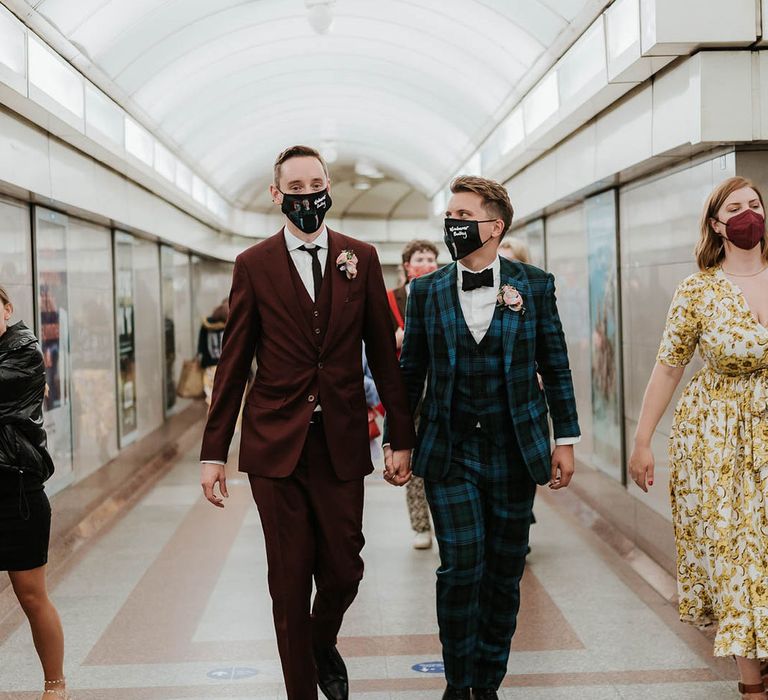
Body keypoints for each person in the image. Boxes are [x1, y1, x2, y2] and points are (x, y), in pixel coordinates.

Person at [199, 145, 415, 700]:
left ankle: (320, 644)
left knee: (345, 568)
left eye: (314, 184)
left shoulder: (359, 257)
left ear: (328, 188)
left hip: (341, 440)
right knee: (289, 579)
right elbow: (234, 360)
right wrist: (213, 451)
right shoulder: (253, 265)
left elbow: (382, 354)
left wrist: (399, 433)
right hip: (275, 446)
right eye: (294, 188)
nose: (306, 195)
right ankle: (301, 690)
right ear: (277, 195)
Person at [385, 176, 580, 700]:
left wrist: (565, 439)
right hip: (449, 451)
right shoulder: (426, 291)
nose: (453, 224)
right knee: (461, 567)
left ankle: (487, 683)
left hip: (515, 451)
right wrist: (397, 441)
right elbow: (410, 372)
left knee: (503, 570)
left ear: (494, 226)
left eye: (463, 215)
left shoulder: (533, 285)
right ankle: (458, 681)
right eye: (450, 215)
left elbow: (555, 366)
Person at [628, 176, 768, 700]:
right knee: (738, 548)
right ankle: (750, 678)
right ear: (716, 223)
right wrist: (643, 441)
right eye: (735, 207)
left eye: (755, 204)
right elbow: (668, 367)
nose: (748, 214)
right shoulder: (698, 291)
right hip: (717, 440)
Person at [0, 285, 69, 700]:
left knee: (31, 594)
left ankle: (55, 684)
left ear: (7, 307)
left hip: (17, 491)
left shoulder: (24, 353)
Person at [387, 240, 439, 550]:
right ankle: (421, 525)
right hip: (407, 389)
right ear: (407, 264)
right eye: (420, 258)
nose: (426, 263)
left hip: (439, 385)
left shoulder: (443, 289)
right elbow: (378, 340)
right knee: (412, 457)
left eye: (431, 258)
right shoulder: (391, 299)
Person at [197, 299, 228, 406]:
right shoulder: (230, 324)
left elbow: (201, 347)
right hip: (227, 368)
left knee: (212, 400)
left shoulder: (206, 324)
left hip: (210, 367)